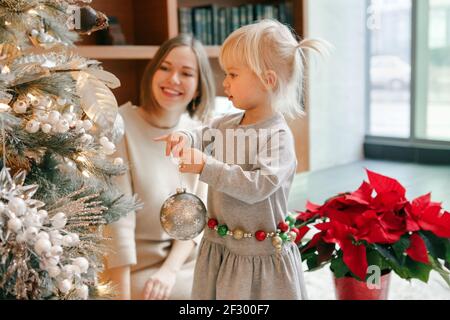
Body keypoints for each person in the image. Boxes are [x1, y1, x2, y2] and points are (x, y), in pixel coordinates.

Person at [155, 19, 325, 299]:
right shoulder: (227, 124)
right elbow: (202, 134)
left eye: (233, 74)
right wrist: (184, 138)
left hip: (257, 256)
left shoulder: (277, 137)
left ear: (267, 80)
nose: (225, 83)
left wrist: (205, 166)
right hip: (220, 246)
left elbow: (257, 186)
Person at [104, 34, 215, 300]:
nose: (173, 79)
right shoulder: (119, 125)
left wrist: (169, 271)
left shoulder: (202, 134)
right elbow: (118, 221)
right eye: (165, 68)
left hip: (183, 261)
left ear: (199, 87)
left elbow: (197, 219)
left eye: (186, 73)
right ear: (153, 72)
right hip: (131, 264)